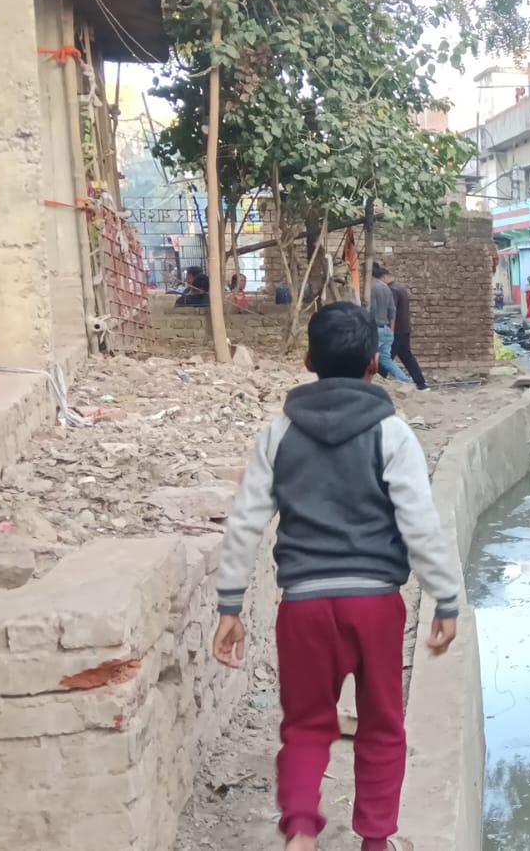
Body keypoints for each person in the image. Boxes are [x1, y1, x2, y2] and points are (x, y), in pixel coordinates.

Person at [210, 301, 459, 851]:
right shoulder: (392, 434)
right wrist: (445, 599)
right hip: (376, 606)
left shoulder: (277, 434)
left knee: (305, 725)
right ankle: (375, 840)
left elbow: (246, 522)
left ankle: (301, 828)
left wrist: (230, 605)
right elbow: (419, 524)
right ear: (374, 363)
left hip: (303, 606)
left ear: (307, 360)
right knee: (383, 727)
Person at [377, 267, 427, 390]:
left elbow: (390, 311)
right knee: (406, 357)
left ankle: (380, 383)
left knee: (385, 359)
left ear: (384, 277)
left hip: (395, 330)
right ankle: (421, 384)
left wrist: (389, 329)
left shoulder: (392, 290)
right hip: (404, 329)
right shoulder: (399, 287)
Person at [367, 264, 413, 386]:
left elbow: (371, 309)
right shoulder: (387, 288)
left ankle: (365, 382)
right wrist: (391, 331)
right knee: (386, 360)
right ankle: (405, 381)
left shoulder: (372, 289)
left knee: (367, 356)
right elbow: (392, 310)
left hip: (376, 329)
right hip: (387, 329)